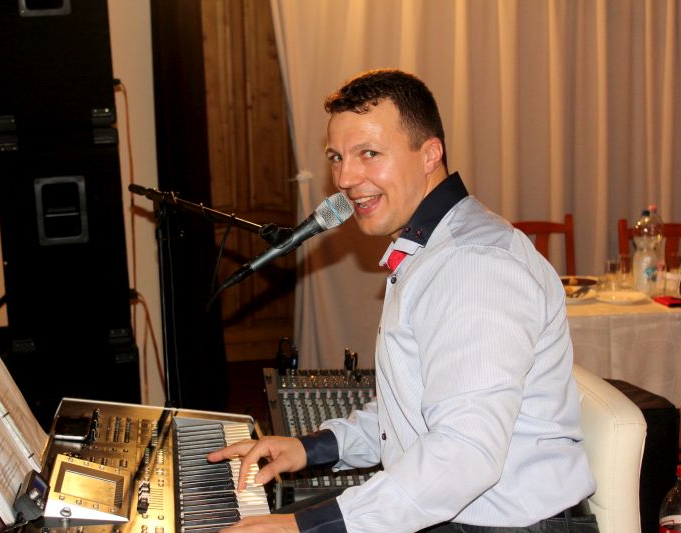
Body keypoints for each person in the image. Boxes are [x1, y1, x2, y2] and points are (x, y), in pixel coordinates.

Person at [207, 69, 598, 532]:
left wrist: (307, 527)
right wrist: (310, 448)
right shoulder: (431, 249)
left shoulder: (474, 265)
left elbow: (465, 453)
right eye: (337, 157)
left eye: (369, 154)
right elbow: (413, 412)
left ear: (430, 154)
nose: (345, 178)